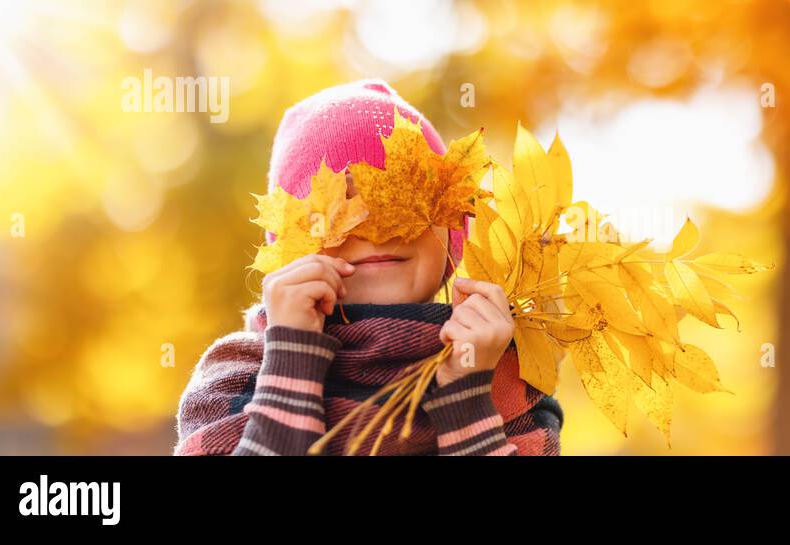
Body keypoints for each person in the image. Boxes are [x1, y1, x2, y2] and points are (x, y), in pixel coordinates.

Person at [174, 80, 562, 456]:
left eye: (407, 199)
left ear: (452, 225)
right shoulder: (238, 377)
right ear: (291, 244)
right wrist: (291, 364)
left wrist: (467, 400)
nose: (378, 231)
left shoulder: (506, 377)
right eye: (341, 208)